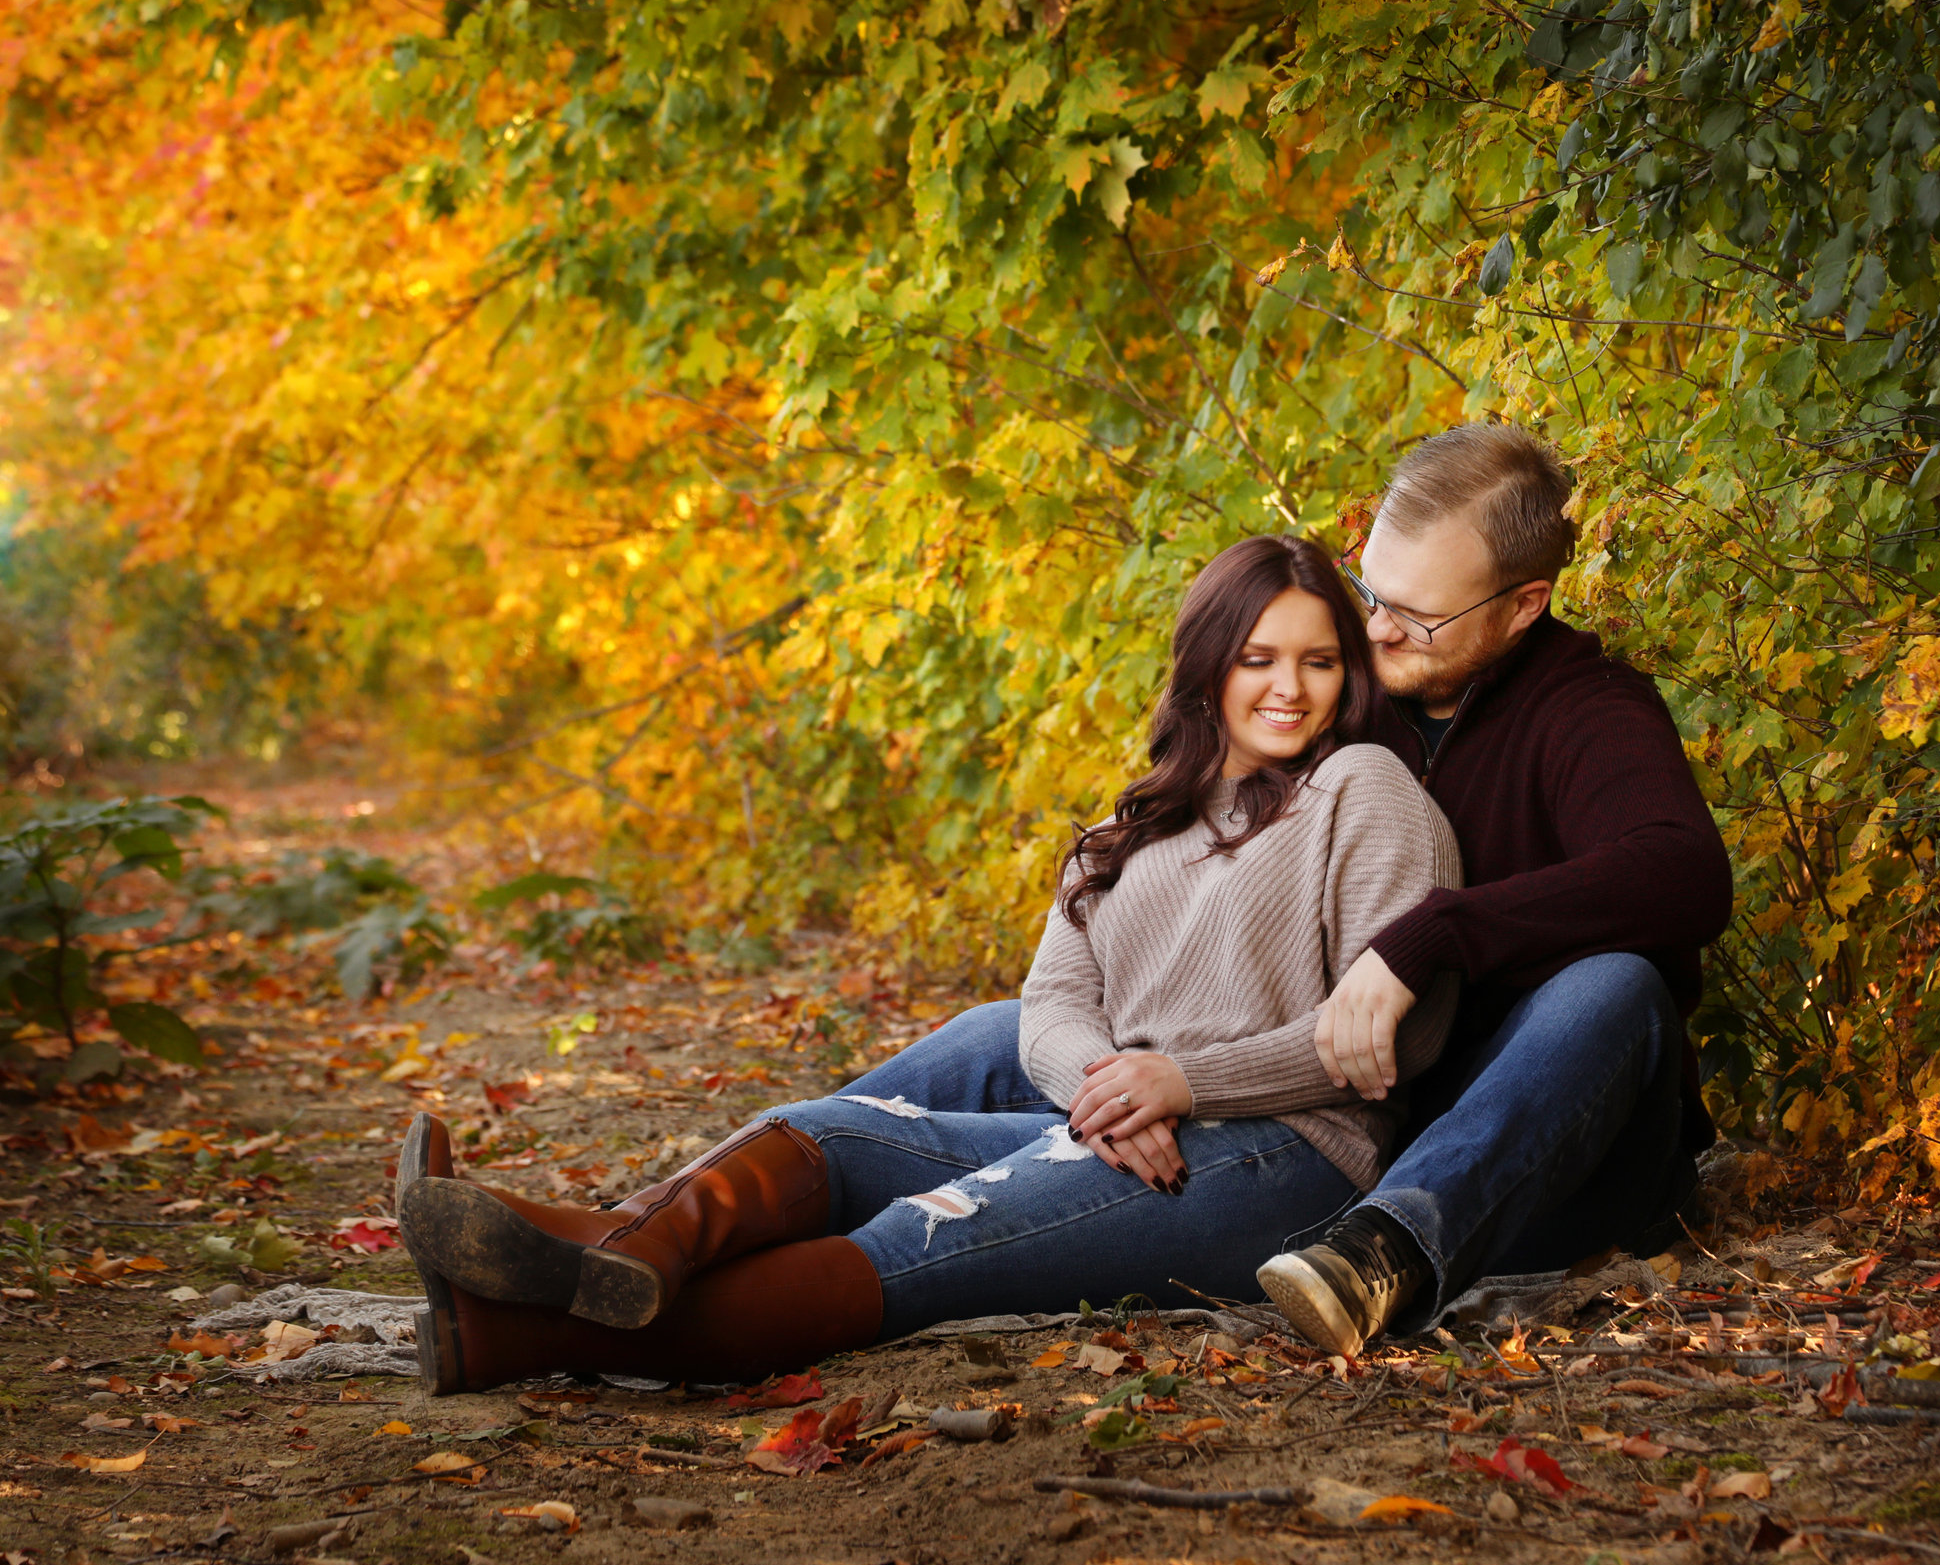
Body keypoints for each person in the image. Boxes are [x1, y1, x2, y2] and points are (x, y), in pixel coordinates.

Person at [394, 535, 1463, 1393]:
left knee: (917, 1242)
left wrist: (1184, 1080)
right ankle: (601, 1258)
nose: (1290, 688)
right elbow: (1049, 1001)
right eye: (1258, 658)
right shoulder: (1131, 825)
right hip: (1128, 1130)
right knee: (830, 1133)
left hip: (1280, 1159)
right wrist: (1111, 1087)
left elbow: (1398, 1038)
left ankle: (531, 1320)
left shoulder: (1363, 788)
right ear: (1206, 663)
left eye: (1319, 660)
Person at [818, 422, 1734, 1359]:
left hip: (1525, 1153)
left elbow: (1683, 873)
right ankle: (789, 1173)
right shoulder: (1361, 691)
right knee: (998, 1028)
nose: (1376, 629)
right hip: (1327, 1103)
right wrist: (1135, 1075)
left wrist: (1432, 935)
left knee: (1613, 987)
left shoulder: (1587, 710)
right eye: (1371, 592)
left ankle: (1389, 1253)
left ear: (1521, 605)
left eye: (1416, 617)